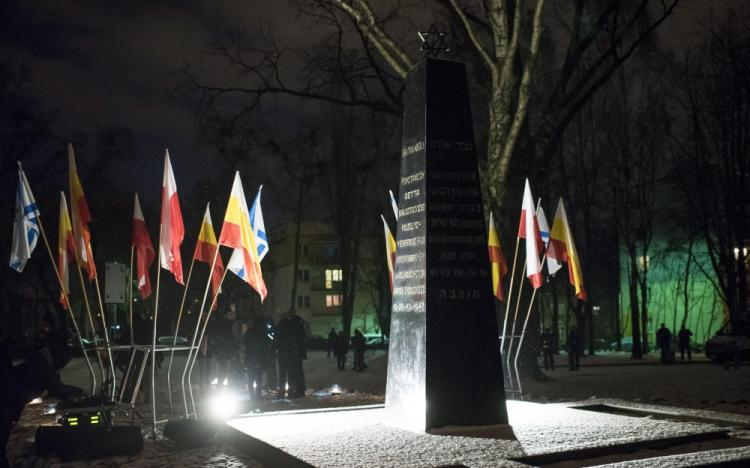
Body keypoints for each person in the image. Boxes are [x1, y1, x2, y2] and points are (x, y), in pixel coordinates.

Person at [275, 310, 307, 398]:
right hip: (293, 353)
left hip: (284, 353)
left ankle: (282, 392)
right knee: (292, 373)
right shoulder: (295, 325)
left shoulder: (281, 326)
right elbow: (301, 339)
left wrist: (275, 350)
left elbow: (276, 340)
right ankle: (292, 392)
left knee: (283, 373)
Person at [244, 316, 272, 404]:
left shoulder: (250, 331)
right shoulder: (262, 333)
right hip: (258, 359)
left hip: (250, 359)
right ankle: (258, 396)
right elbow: (266, 345)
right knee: (258, 379)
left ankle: (252, 396)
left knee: (251, 379)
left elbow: (245, 343)